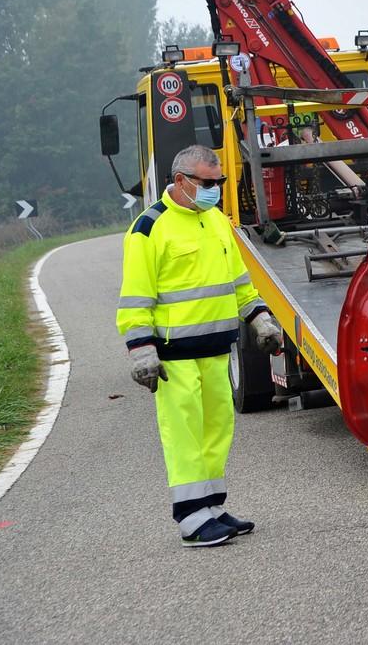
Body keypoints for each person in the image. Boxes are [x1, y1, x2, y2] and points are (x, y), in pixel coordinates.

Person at [117, 144, 285, 548]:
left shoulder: (216, 222)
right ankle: (191, 519)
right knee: (184, 433)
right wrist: (141, 350)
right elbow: (136, 297)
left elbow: (239, 282)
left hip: (216, 350)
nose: (216, 190)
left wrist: (259, 318)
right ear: (180, 180)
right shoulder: (149, 228)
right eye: (207, 183)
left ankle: (211, 507)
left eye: (220, 182)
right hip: (174, 354)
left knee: (216, 429)